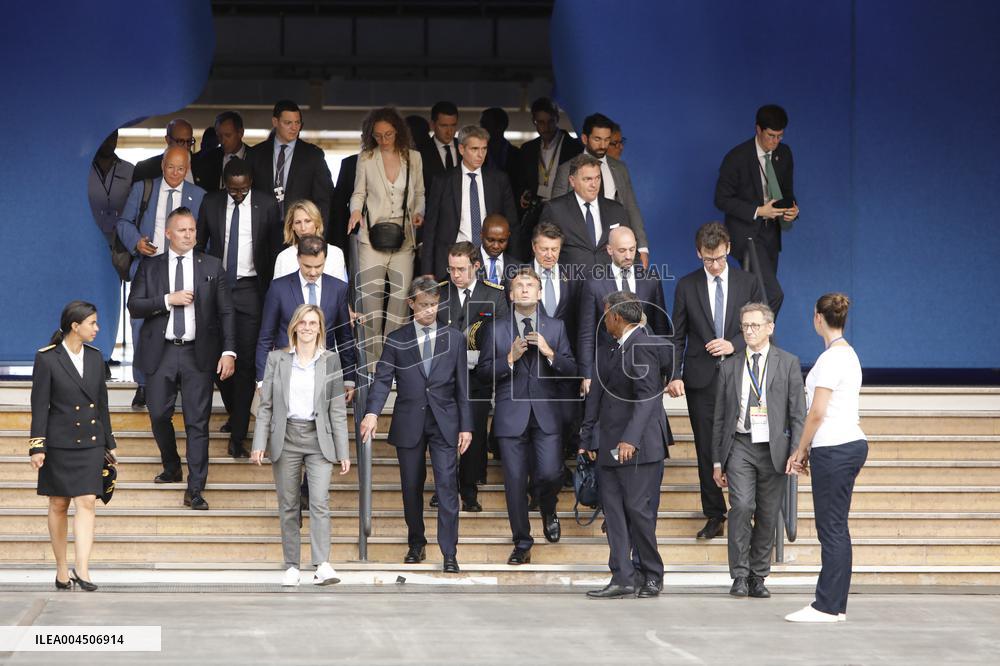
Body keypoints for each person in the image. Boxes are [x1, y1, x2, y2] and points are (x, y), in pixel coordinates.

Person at [360, 277, 472, 573]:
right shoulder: (397, 339)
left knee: (448, 486)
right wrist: (372, 413)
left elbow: (463, 386)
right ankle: (416, 542)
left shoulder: (455, 338)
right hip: (410, 420)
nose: (429, 310)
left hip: (445, 421)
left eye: (434, 305)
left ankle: (449, 552)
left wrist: (467, 426)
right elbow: (383, 379)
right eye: (424, 305)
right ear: (411, 303)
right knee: (411, 486)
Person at [127, 208, 236, 510]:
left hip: (197, 354)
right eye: (182, 230)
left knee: (197, 423)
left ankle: (195, 488)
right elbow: (134, 305)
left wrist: (229, 351)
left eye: (192, 230)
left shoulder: (212, 265)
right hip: (160, 352)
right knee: (159, 414)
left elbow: (226, 311)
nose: (189, 235)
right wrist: (167, 300)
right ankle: (172, 465)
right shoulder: (151, 267)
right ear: (168, 233)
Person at [666, 222, 764, 540]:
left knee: (742, 443)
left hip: (740, 374)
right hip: (700, 378)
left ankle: (744, 509)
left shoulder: (747, 282)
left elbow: (761, 324)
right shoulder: (686, 285)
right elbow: (677, 334)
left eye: (719, 257)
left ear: (729, 248)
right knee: (707, 448)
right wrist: (674, 374)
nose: (715, 264)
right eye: (708, 259)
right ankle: (714, 514)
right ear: (699, 254)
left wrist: (734, 343)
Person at [476, 268, 577, 564]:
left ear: (540, 292)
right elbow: (482, 374)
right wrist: (508, 359)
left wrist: (549, 353)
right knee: (515, 482)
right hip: (511, 416)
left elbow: (571, 369)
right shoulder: (495, 329)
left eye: (529, 285)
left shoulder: (556, 327)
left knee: (550, 473)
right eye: (518, 286)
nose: (524, 290)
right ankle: (522, 542)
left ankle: (548, 507)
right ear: (510, 294)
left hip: (547, 414)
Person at [251, 304, 350, 587]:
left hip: (319, 439)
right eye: (303, 323)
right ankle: (292, 565)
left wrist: (342, 450)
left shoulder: (331, 360)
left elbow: (336, 410)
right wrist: (259, 443)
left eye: (313, 323)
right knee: (289, 504)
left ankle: (322, 564)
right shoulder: (276, 360)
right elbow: (266, 406)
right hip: (286, 438)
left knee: (320, 501)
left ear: (320, 328)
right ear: (294, 326)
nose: (307, 328)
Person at [712, 302, 805, 599]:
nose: (749, 331)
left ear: (770, 328)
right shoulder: (730, 365)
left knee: (767, 513)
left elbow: (798, 413)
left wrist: (797, 452)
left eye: (755, 326)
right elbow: (719, 417)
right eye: (745, 326)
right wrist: (717, 461)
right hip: (740, 443)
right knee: (741, 507)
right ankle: (739, 574)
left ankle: (758, 575)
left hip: (773, 448)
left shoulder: (788, 363)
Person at [580, 291, 669, 599]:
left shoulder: (643, 344)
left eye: (606, 315)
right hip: (607, 444)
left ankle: (651, 574)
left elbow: (648, 396)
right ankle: (622, 577)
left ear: (616, 316)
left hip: (639, 447)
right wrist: (586, 437)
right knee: (615, 513)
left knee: (638, 512)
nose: (603, 320)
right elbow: (596, 396)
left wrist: (630, 438)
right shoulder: (608, 348)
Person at [785, 293, 867, 623]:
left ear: (817, 318)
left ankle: (828, 605)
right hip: (846, 443)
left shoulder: (832, 359)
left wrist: (800, 450)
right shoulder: (848, 356)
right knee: (836, 526)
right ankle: (834, 603)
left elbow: (817, 411)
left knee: (831, 527)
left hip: (834, 445)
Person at [195, 157, 283, 457]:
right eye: (233, 190)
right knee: (220, 358)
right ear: (225, 185)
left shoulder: (267, 204)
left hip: (251, 289)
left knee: (245, 362)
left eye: (243, 189)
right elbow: (200, 245)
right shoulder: (211, 202)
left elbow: (274, 251)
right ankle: (235, 414)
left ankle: (238, 436)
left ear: (251, 184)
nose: (238, 195)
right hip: (217, 286)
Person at [29, 301, 116, 592]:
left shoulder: (95, 357)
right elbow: (40, 406)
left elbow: (102, 404)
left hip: (90, 442)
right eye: (92, 323)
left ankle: (83, 569)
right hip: (59, 442)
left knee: (88, 501)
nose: (97, 329)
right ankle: (61, 569)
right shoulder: (48, 358)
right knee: (58, 503)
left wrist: (110, 443)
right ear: (75, 326)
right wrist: (37, 446)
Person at [116, 146, 205, 408]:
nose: (175, 173)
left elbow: (205, 235)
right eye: (170, 167)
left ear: (187, 168)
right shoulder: (144, 188)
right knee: (141, 325)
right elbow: (123, 223)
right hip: (150, 266)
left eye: (181, 168)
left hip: (185, 268)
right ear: (162, 165)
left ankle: (177, 380)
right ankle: (143, 384)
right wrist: (137, 243)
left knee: (182, 324)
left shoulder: (198, 195)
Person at [348, 107, 425, 365]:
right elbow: (358, 192)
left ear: (398, 132)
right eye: (378, 135)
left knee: (401, 298)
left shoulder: (413, 158)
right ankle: (371, 363)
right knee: (370, 297)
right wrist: (356, 212)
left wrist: (418, 213)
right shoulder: (366, 158)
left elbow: (420, 193)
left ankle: (392, 360)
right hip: (372, 236)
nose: (383, 140)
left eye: (388, 134)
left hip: (404, 238)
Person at [437, 241, 508, 511]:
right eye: (451, 268)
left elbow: (501, 333)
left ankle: (469, 488)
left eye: (461, 269)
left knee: (474, 433)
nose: (455, 274)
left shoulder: (494, 295)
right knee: (444, 433)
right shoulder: (440, 293)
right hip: (445, 376)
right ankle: (445, 487)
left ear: (476, 266)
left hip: (477, 375)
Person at [714, 104, 799, 316]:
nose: (776, 141)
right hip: (746, 234)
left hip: (772, 234)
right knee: (772, 294)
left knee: (757, 298)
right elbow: (721, 199)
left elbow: (788, 192)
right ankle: (756, 340)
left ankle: (751, 342)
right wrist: (758, 211)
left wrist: (793, 210)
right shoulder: (737, 157)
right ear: (758, 129)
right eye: (771, 135)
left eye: (780, 136)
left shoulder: (784, 154)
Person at [257, 235, 356, 399]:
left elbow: (344, 336)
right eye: (307, 266)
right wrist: (261, 380)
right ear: (298, 259)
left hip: (325, 373)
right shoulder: (278, 288)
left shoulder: (339, 289)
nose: (313, 272)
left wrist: (349, 379)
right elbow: (266, 337)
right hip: (286, 372)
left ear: (325, 259)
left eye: (319, 266)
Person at [421, 125, 518, 281]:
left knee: (488, 304)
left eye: (484, 149)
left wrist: (514, 265)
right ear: (461, 149)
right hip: (451, 259)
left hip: (490, 258)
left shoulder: (499, 180)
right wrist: (427, 269)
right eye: (474, 149)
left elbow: (512, 224)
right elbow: (430, 227)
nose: (480, 155)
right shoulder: (443, 181)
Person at [552, 113, 649, 267]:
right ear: (585, 139)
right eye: (597, 139)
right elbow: (555, 213)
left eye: (606, 139)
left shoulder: (619, 168)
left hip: (614, 249)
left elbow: (631, 207)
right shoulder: (566, 169)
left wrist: (642, 247)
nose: (603, 145)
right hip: (578, 252)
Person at [578, 226, 669, 389]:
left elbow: (660, 327)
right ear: (609, 250)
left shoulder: (651, 279)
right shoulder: (594, 283)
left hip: (644, 365)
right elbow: (587, 333)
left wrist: (665, 369)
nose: (628, 256)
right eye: (622, 250)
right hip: (607, 367)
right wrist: (587, 374)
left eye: (632, 249)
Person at [538, 154, 630, 278]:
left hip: (609, 286)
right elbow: (542, 250)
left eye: (597, 178)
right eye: (587, 179)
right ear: (572, 181)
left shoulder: (616, 209)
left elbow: (629, 248)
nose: (594, 184)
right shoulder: (555, 209)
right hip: (571, 286)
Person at [514, 97, 583, 260]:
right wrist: (523, 194)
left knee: (563, 251)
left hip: (565, 208)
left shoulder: (574, 147)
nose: (545, 127)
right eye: (540, 122)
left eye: (550, 121)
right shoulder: (527, 149)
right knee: (533, 250)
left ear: (557, 119)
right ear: (534, 122)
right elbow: (522, 180)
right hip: (536, 209)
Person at [248, 99, 333, 219]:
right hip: (262, 229)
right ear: (275, 122)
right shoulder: (255, 154)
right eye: (288, 123)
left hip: (299, 230)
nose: (294, 128)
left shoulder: (313, 155)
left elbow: (323, 200)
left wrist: (318, 235)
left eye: (297, 123)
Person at [272, 199, 348, 282]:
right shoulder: (283, 258)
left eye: (308, 221)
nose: (303, 228)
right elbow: (278, 292)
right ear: (292, 226)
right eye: (298, 222)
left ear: (316, 222)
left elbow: (340, 292)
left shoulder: (335, 253)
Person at [89, 130, 134, 246]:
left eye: (113, 137)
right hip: (89, 240)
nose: (108, 141)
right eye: (105, 136)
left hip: (121, 243)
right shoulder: (82, 170)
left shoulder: (130, 170)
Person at [192, 111, 249, 193]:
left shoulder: (256, 158)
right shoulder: (208, 159)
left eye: (228, 135)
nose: (222, 141)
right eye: (219, 136)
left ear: (240, 133)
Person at [132, 118, 196, 183]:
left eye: (189, 141)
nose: (185, 146)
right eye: (180, 141)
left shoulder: (202, 166)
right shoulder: (145, 169)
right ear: (168, 140)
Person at [417, 101, 459, 192]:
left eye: (453, 125)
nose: (449, 131)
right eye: (444, 126)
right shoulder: (420, 152)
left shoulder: (466, 147)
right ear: (432, 125)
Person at [480, 106, 521, 188]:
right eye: (482, 125)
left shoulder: (517, 155)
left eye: (486, 124)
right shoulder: (475, 154)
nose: (481, 129)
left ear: (500, 127)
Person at [477, 213, 521, 285]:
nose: (496, 246)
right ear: (481, 235)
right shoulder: (467, 262)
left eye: (502, 241)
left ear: (508, 236)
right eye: (490, 240)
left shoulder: (518, 267)